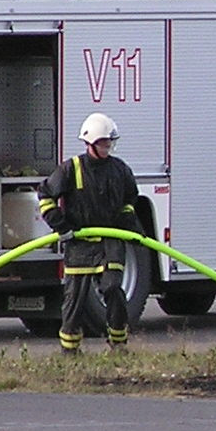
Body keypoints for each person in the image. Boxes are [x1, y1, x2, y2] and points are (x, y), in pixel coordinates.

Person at [37, 112, 142, 354]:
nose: (108, 147)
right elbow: (45, 195)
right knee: (75, 299)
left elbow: (131, 197)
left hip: (111, 241)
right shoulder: (70, 169)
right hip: (80, 243)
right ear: (91, 142)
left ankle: (118, 344)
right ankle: (70, 350)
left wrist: (127, 216)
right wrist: (60, 224)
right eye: (105, 143)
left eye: (110, 143)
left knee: (113, 287)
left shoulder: (119, 169)